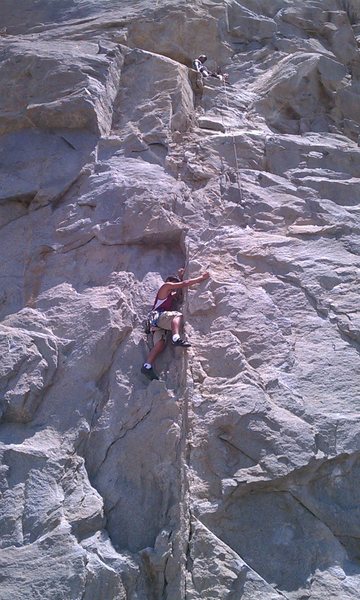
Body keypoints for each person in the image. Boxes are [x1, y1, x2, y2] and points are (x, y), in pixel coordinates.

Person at [141, 268, 210, 381]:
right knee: (177, 315)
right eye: (174, 282)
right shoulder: (165, 286)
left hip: (156, 323)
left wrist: (181, 276)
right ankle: (176, 338)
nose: (174, 284)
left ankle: (147, 366)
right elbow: (183, 284)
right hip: (158, 317)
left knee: (160, 344)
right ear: (169, 281)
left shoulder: (169, 296)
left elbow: (180, 292)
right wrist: (201, 278)